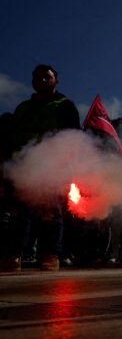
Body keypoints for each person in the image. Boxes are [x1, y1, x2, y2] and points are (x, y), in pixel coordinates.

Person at [0, 64, 80, 271]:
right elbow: (11, 137)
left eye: (47, 77)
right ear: (33, 82)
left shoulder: (65, 105)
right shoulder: (22, 108)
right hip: (21, 166)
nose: (42, 81)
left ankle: (51, 255)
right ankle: (14, 256)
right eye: (38, 78)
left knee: (50, 212)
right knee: (18, 213)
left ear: (56, 81)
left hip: (52, 166)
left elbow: (72, 138)